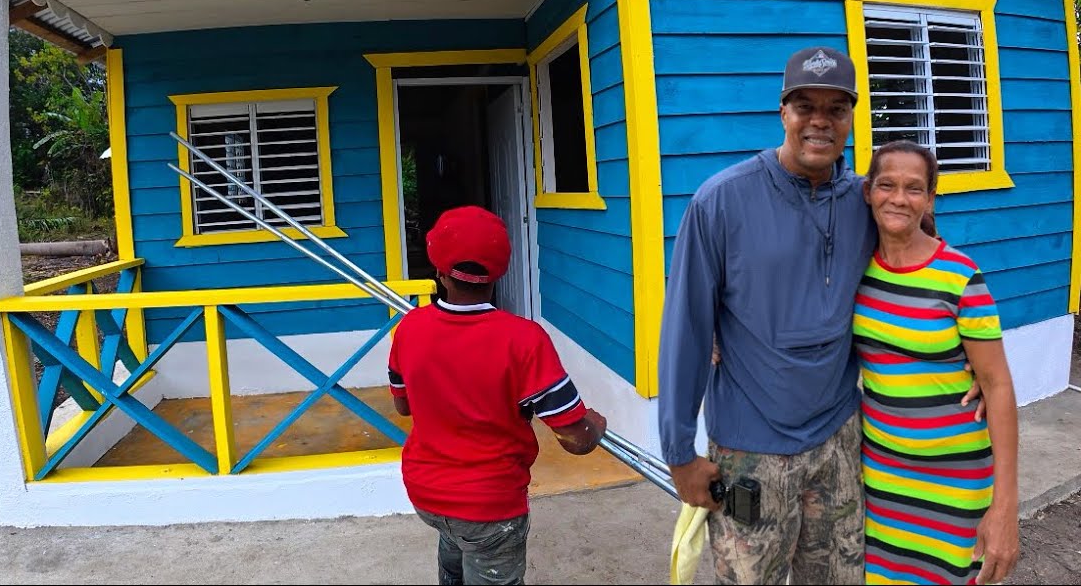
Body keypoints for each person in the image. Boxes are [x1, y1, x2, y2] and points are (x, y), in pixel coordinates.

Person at [658, 46, 877, 584]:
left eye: (836, 108)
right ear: (783, 112)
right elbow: (685, 331)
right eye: (805, 105)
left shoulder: (866, 203)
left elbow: (920, 270)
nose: (820, 120)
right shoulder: (723, 201)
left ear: (851, 117)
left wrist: (968, 364)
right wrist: (679, 452)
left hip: (838, 440)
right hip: (748, 452)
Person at [388, 205, 607, 586]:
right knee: (479, 548)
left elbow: (403, 406)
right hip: (488, 508)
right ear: (498, 273)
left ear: (438, 271)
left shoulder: (409, 328)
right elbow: (575, 439)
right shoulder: (524, 339)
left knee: (455, 550)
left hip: (426, 493)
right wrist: (596, 426)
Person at [854, 140, 1019, 585]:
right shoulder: (855, 270)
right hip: (883, 474)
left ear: (929, 197)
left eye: (914, 188)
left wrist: (1005, 507)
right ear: (868, 191)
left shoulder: (961, 276)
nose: (899, 198)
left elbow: (998, 386)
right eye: (886, 185)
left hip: (956, 477)